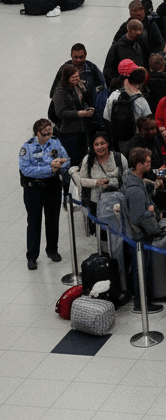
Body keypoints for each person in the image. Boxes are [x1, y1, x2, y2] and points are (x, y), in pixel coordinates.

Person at [19, 118, 69, 270]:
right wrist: (49, 168)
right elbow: (26, 169)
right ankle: (32, 256)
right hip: (33, 189)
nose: (48, 136)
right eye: (44, 134)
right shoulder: (27, 147)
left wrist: (61, 164)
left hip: (52, 187)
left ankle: (52, 250)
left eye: (50, 133)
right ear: (37, 133)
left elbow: (67, 160)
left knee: (52, 220)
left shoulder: (55, 143)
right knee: (34, 222)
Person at [121, 146, 164, 313]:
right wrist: (151, 214)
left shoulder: (134, 181)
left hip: (135, 235)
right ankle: (142, 304)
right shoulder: (135, 190)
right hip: (139, 236)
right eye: (147, 161)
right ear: (138, 165)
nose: (150, 164)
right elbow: (138, 217)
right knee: (141, 269)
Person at [51, 64, 94, 170]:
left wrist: (86, 108)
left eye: (77, 76)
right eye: (74, 77)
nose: (77, 79)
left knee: (82, 155)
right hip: (68, 132)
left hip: (80, 129)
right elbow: (60, 113)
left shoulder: (75, 88)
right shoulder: (59, 92)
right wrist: (79, 113)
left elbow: (81, 103)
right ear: (67, 78)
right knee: (72, 158)